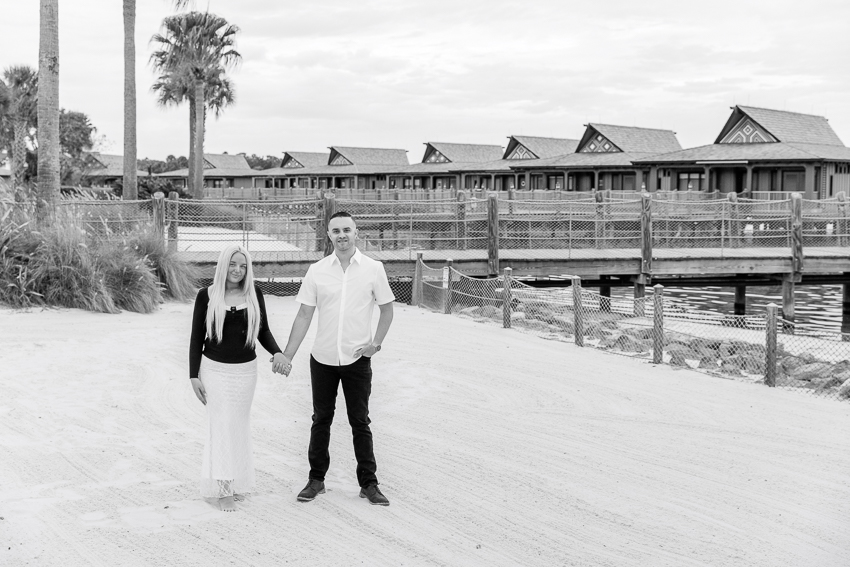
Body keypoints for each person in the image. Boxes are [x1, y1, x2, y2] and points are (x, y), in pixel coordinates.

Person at [280, 211, 395, 506]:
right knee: (321, 419)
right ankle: (316, 480)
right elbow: (305, 314)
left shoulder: (373, 268)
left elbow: (387, 309)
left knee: (360, 421)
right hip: (323, 358)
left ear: (356, 232)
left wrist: (375, 344)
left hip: (357, 360)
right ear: (328, 235)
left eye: (347, 230)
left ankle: (368, 483)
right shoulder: (317, 271)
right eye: (336, 231)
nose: (341, 235)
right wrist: (288, 354)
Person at [188, 244, 290, 512]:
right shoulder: (206, 296)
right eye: (233, 264)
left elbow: (263, 330)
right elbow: (196, 339)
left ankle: (234, 483)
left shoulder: (253, 293)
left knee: (237, 426)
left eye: (243, 266)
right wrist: (193, 375)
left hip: (246, 372)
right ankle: (223, 489)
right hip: (215, 371)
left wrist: (278, 353)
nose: (238, 270)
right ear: (224, 265)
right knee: (221, 425)